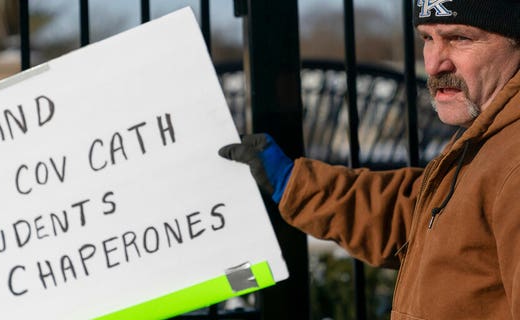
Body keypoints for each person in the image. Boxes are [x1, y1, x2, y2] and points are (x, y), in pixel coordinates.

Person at [219, 1, 520, 319]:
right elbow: (417, 217)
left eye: (460, 38)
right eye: (427, 39)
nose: (433, 65)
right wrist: (293, 182)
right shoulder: (487, 141)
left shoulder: (512, 162)